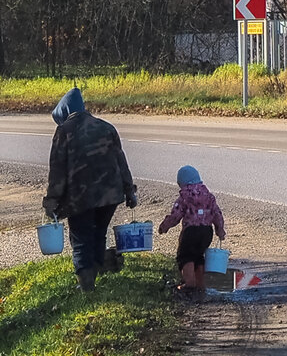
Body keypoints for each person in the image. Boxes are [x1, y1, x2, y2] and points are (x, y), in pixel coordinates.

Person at [43, 87, 138, 291]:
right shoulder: (107, 127)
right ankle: (92, 277)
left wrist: (52, 201)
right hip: (110, 195)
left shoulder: (64, 132)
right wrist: (129, 191)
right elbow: (122, 162)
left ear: (65, 111)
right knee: (98, 233)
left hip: (80, 197)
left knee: (81, 238)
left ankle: (87, 286)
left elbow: (57, 171)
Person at [157, 164, 227, 297]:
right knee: (199, 256)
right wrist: (220, 230)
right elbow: (217, 213)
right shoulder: (209, 196)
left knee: (185, 256)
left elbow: (176, 215)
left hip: (191, 232)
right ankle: (201, 285)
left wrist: (164, 226)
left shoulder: (184, 197)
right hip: (207, 232)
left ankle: (189, 284)